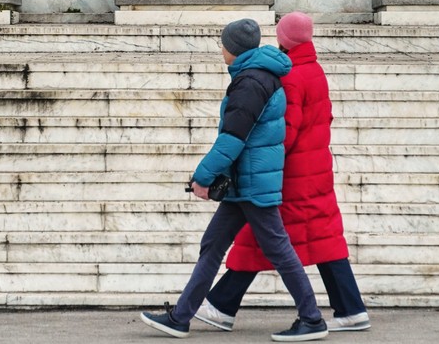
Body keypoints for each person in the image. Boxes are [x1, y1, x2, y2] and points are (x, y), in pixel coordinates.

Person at [140, 18, 328, 342]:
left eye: (223, 44)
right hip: (244, 184)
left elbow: (232, 138)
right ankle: (180, 318)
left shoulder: (251, 82)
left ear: (234, 48)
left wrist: (202, 177)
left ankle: (312, 318)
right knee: (212, 245)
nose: (221, 49)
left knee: (279, 250)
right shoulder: (257, 76)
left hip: (253, 186)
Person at [195, 12, 370, 333]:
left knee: (260, 238)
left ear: (284, 38)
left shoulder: (291, 76)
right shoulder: (314, 70)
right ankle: (350, 308)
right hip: (315, 168)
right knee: (321, 236)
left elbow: (282, 133)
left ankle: (222, 305)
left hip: (292, 172)